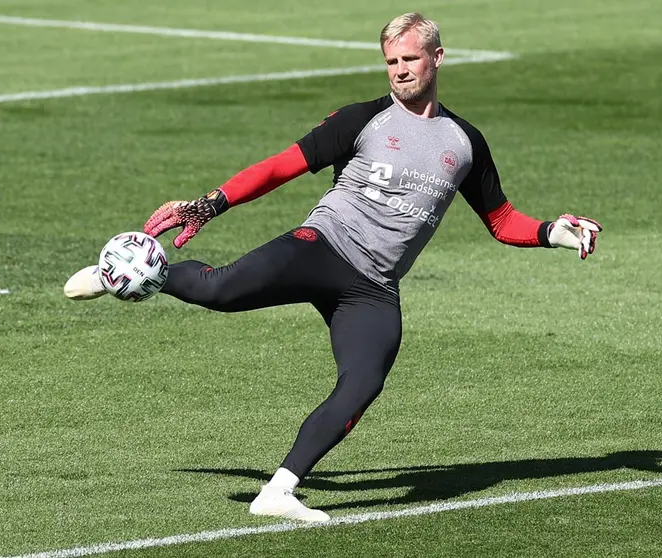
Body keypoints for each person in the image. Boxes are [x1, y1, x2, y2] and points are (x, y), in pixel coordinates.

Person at [64, 12, 601, 522]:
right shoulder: (362, 119)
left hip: (373, 287)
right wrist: (208, 204)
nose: (400, 71)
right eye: (391, 62)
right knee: (220, 291)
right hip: (322, 246)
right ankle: (125, 273)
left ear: (438, 57)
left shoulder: (464, 144)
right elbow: (282, 165)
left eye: (411, 60)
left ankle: (279, 490)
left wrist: (555, 232)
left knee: (363, 381)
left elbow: (502, 219)